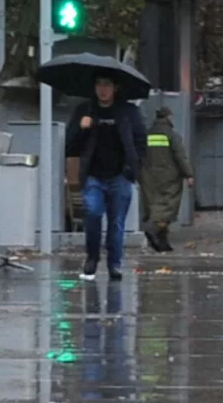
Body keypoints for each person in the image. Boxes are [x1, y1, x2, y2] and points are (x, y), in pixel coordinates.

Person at [65, 74, 147, 281]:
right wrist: (81, 129)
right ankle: (92, 257)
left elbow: (140, 142)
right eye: (99, 84)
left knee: (116, 222)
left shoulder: (129, 112)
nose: (103, 89)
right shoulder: (84, 110)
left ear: (115, 88)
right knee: (92, 214)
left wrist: (132, 170)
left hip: (120, 176)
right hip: (93, 177)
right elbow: (70, 145)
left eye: (107, 85)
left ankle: (115, 263)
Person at [140, 107, 194, 253]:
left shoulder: (147, 134)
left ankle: (163, 244)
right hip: (169, 177)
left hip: (149, 176)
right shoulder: (171, 135)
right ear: (168, 117)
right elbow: (180, 156)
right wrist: (189, 174)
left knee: (154, 206)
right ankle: (152, 230)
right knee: (167, 208)